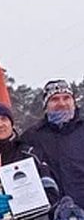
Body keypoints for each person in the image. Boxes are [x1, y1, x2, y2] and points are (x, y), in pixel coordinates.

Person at [22, 79, 84, 208]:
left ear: (74, 102)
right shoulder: (31, 137)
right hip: (52, 215)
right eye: (55, 99)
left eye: (66, 98)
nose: (62, 103)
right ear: (45, 106)